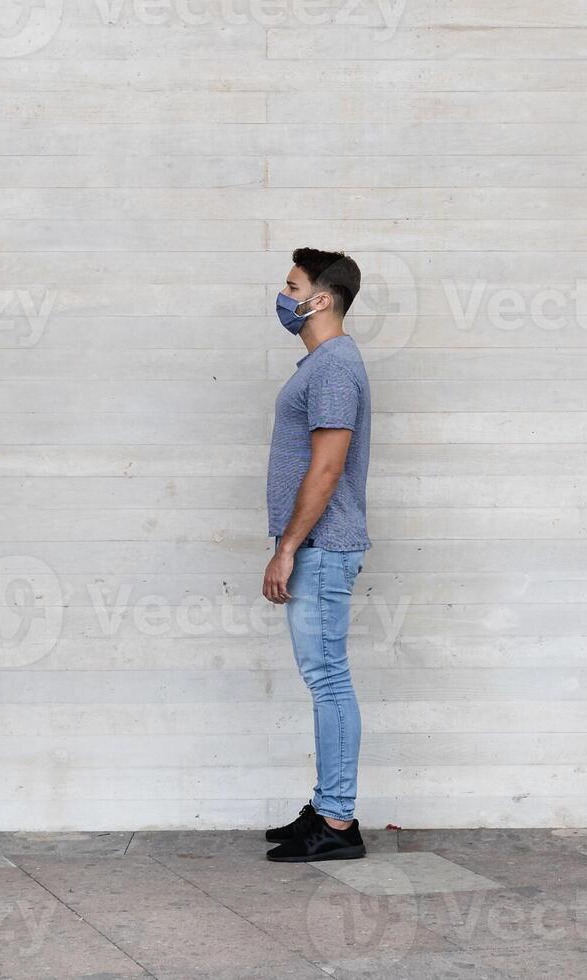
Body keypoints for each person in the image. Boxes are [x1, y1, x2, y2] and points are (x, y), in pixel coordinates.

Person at [260, 248, 375, 862]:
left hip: (322, 548)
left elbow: (328, 466)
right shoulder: (323, 364)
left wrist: (288, 548)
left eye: (291, 285)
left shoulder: (332, 367)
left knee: (328, 680)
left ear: (320, 299)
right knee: (325, 678)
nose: (282, 295)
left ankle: (336, 821)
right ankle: (330, 804)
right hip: (319, 547)